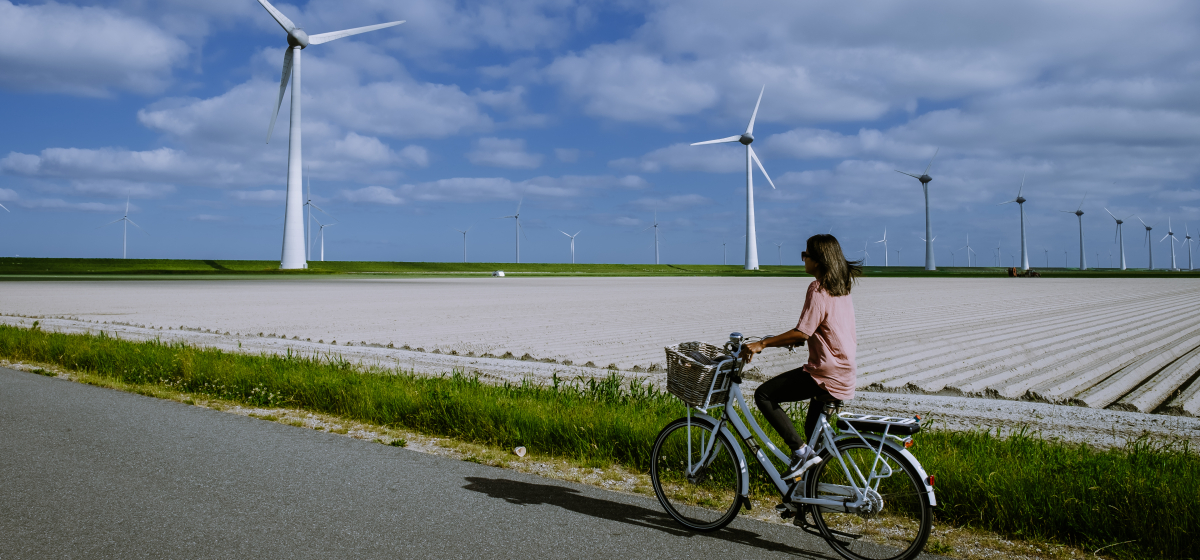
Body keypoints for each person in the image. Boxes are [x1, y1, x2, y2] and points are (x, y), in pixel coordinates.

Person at [740, 234, 861, 479]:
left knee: (764, 395)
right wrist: (785, 340)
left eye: (805, 254)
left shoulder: (817, 288)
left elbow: (803, 332)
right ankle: (807, 497)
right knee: (812, 432)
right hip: (845, 371)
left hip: (825, 373)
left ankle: (799, 452)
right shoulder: (841, 287)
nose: (803, 259)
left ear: (818, 260)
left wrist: (762, 343)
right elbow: (816, 329)